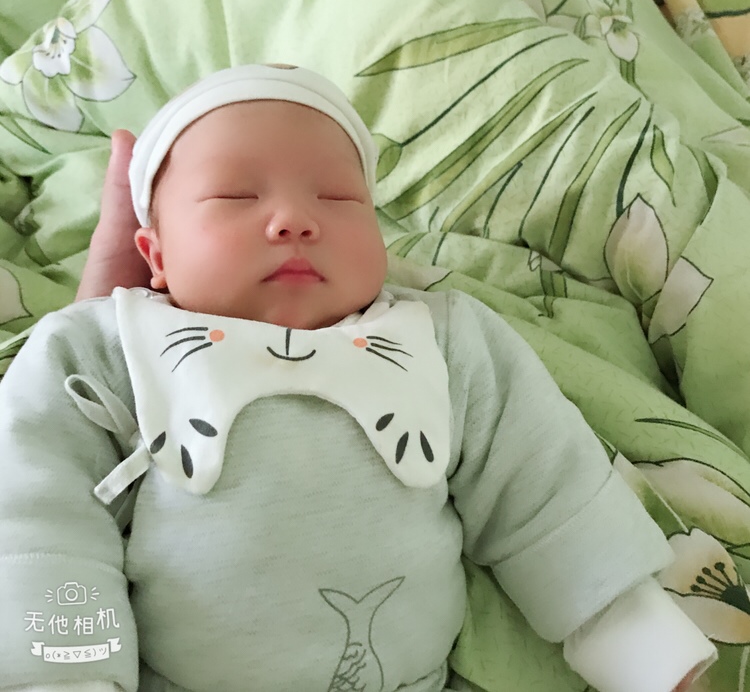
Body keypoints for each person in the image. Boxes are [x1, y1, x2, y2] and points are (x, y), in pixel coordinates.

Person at [0, 64, 715, 692]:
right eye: (237, 196)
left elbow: (544, 488)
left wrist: (636, 639)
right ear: (154, 254)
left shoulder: (442, 340)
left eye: (338, 198)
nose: (294, 220)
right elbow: (41, 521)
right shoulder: (99, 350)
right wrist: (64, 671)